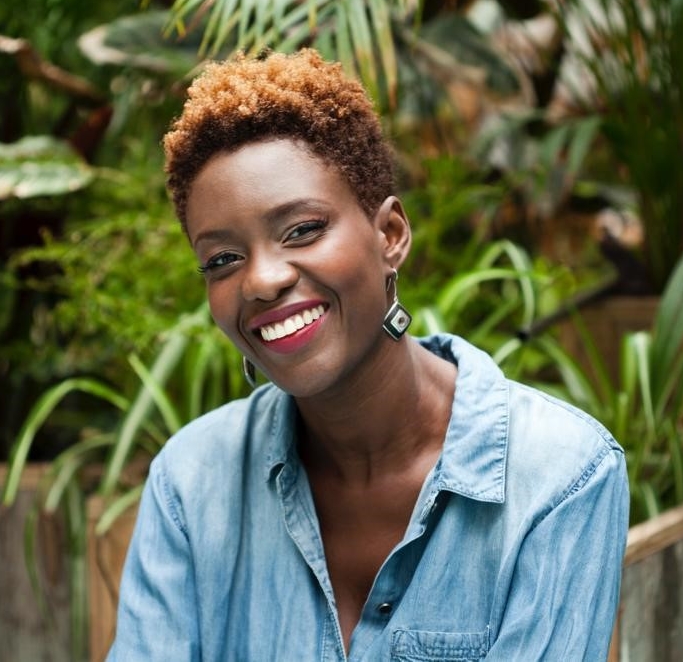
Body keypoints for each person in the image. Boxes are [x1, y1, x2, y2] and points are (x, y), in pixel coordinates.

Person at [107, 49, 629, 661]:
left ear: (390, 236)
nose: (262, 280)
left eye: (302, 229)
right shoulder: (191, 484)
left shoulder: (560, 478)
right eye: (223, 259)